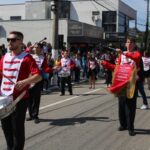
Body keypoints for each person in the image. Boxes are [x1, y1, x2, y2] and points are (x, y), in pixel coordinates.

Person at [0, 31, 42, 150]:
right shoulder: (4, 57)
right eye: (8, 40)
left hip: (19, 100)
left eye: (13, 40)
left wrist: (25, 81)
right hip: (4, 100)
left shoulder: (27, 58)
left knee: (17, 130)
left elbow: (38, 76)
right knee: (6, 129)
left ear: (20, 42)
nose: (9, 42)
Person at [101, 37, 141, 136]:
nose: (129, 44)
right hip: (121, 83)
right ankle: (123, 124)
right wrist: (105, 64)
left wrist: (122, 53)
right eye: (128, 42)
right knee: (121, 105)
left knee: (131, 107)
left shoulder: (137, 54)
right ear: (125, 44)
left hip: (132, 84)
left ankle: (130, 127)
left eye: (131, 42)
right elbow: (116, 68)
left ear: (135, 45)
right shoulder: (121, 56)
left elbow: (135, 58)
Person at [26, 43, 53, 124]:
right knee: (29, 98)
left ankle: (35, 115)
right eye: (34, 47)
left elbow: (45, 68)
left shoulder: (42, 58)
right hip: (29, 79)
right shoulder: (29, 56)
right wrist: (29, 48)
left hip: (38, 79)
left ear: (41, 49)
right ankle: (30, 114)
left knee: (36, 98)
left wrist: (52, 69)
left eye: (37, 47)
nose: (35, 48)